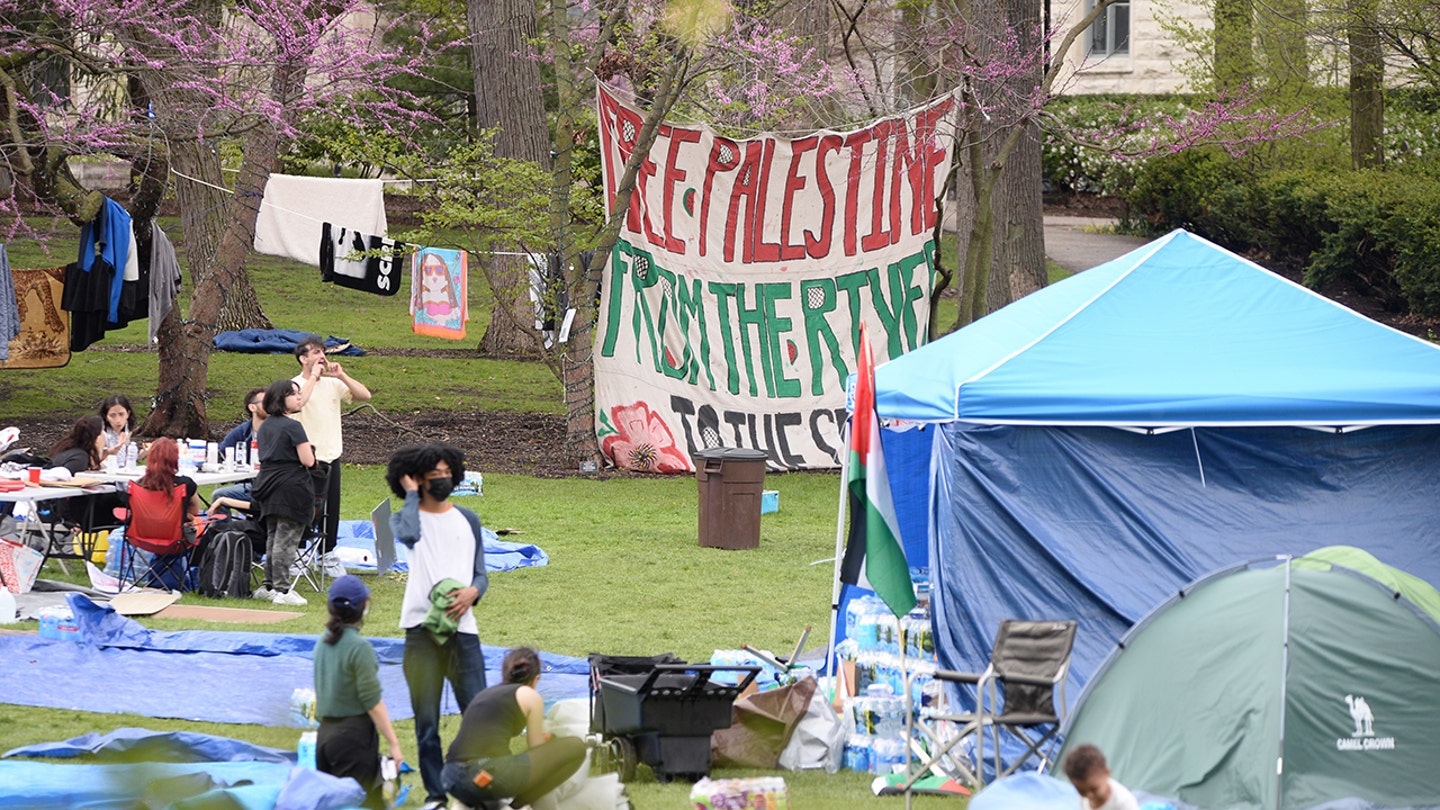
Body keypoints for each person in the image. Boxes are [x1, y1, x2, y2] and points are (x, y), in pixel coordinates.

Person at [387, 442, 488, 810]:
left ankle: (477, 789)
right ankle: (435, 795)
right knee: (426, 721)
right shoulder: (404, 518)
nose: (444, 480)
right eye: (435, 476)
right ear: (417, 479)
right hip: (421, 633)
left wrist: (473, 592)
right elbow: (410, 534)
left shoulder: (469, 519)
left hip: (464, 631)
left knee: (478, 715)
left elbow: (481, 572)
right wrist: (412, 494)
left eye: (448, 473)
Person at [442, 648, 585, 810]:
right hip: (485, 773)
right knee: (576, 747)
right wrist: (552, 742)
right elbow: (536, 747)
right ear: (536, 679)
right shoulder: (529, 695)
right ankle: (517, 806)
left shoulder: (486, 693)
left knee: (505, 769)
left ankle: (471, 804)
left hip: (451, 777)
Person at [314, 575, 405, 810]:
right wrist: (394, 744)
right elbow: (372, 701)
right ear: (364, 606)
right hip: (352, 739)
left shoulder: (322, 643)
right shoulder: (360, 648)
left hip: (323, 737)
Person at [292, 335, 370, 576]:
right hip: (304, 458)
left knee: (331, 508)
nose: (322, 356)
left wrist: (342, 376)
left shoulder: (332, 384)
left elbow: (365, 395)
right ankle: (298, 553)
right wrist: (314, 377)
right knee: (304, 508)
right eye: (316, 353)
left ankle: (326, 554)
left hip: (331, 454)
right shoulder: (293, 385)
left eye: (323, 352)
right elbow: (298, 404)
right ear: (303, 359)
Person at [250, 379, 316, 607]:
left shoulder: (265, 425)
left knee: (273, 536)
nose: (299, 397)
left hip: (268, 485)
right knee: (286, 540)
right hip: (291, 487)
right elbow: (308, 460)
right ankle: (282, 589)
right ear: (281, 399)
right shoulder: (293, 426)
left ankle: (268, 585)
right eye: (294, 394)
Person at [209, 387, 266, 515]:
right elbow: (221, 453)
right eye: (265, 401)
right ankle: (224, 534)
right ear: (252, 407)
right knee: (219, 495)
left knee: (220, 495)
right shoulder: (242, 432)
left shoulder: (280, 429)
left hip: (271, 486)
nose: (271, 405)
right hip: (248, 484)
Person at [1064, 743, 1140, 810]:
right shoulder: (1084, 796)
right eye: (1081, 791)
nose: (1089, 795)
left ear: (1106, 773)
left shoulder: (1124, 802)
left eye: (1094, 789)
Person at [97, 394, 136, 466]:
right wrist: (109, 453)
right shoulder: (102, 435)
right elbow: (95, 463)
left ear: (128, 413)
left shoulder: (126, 432)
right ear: (106, 417)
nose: (118, 420)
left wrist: (142, 454)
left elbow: (125, 459)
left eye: (121, 414)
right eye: (112, 415)